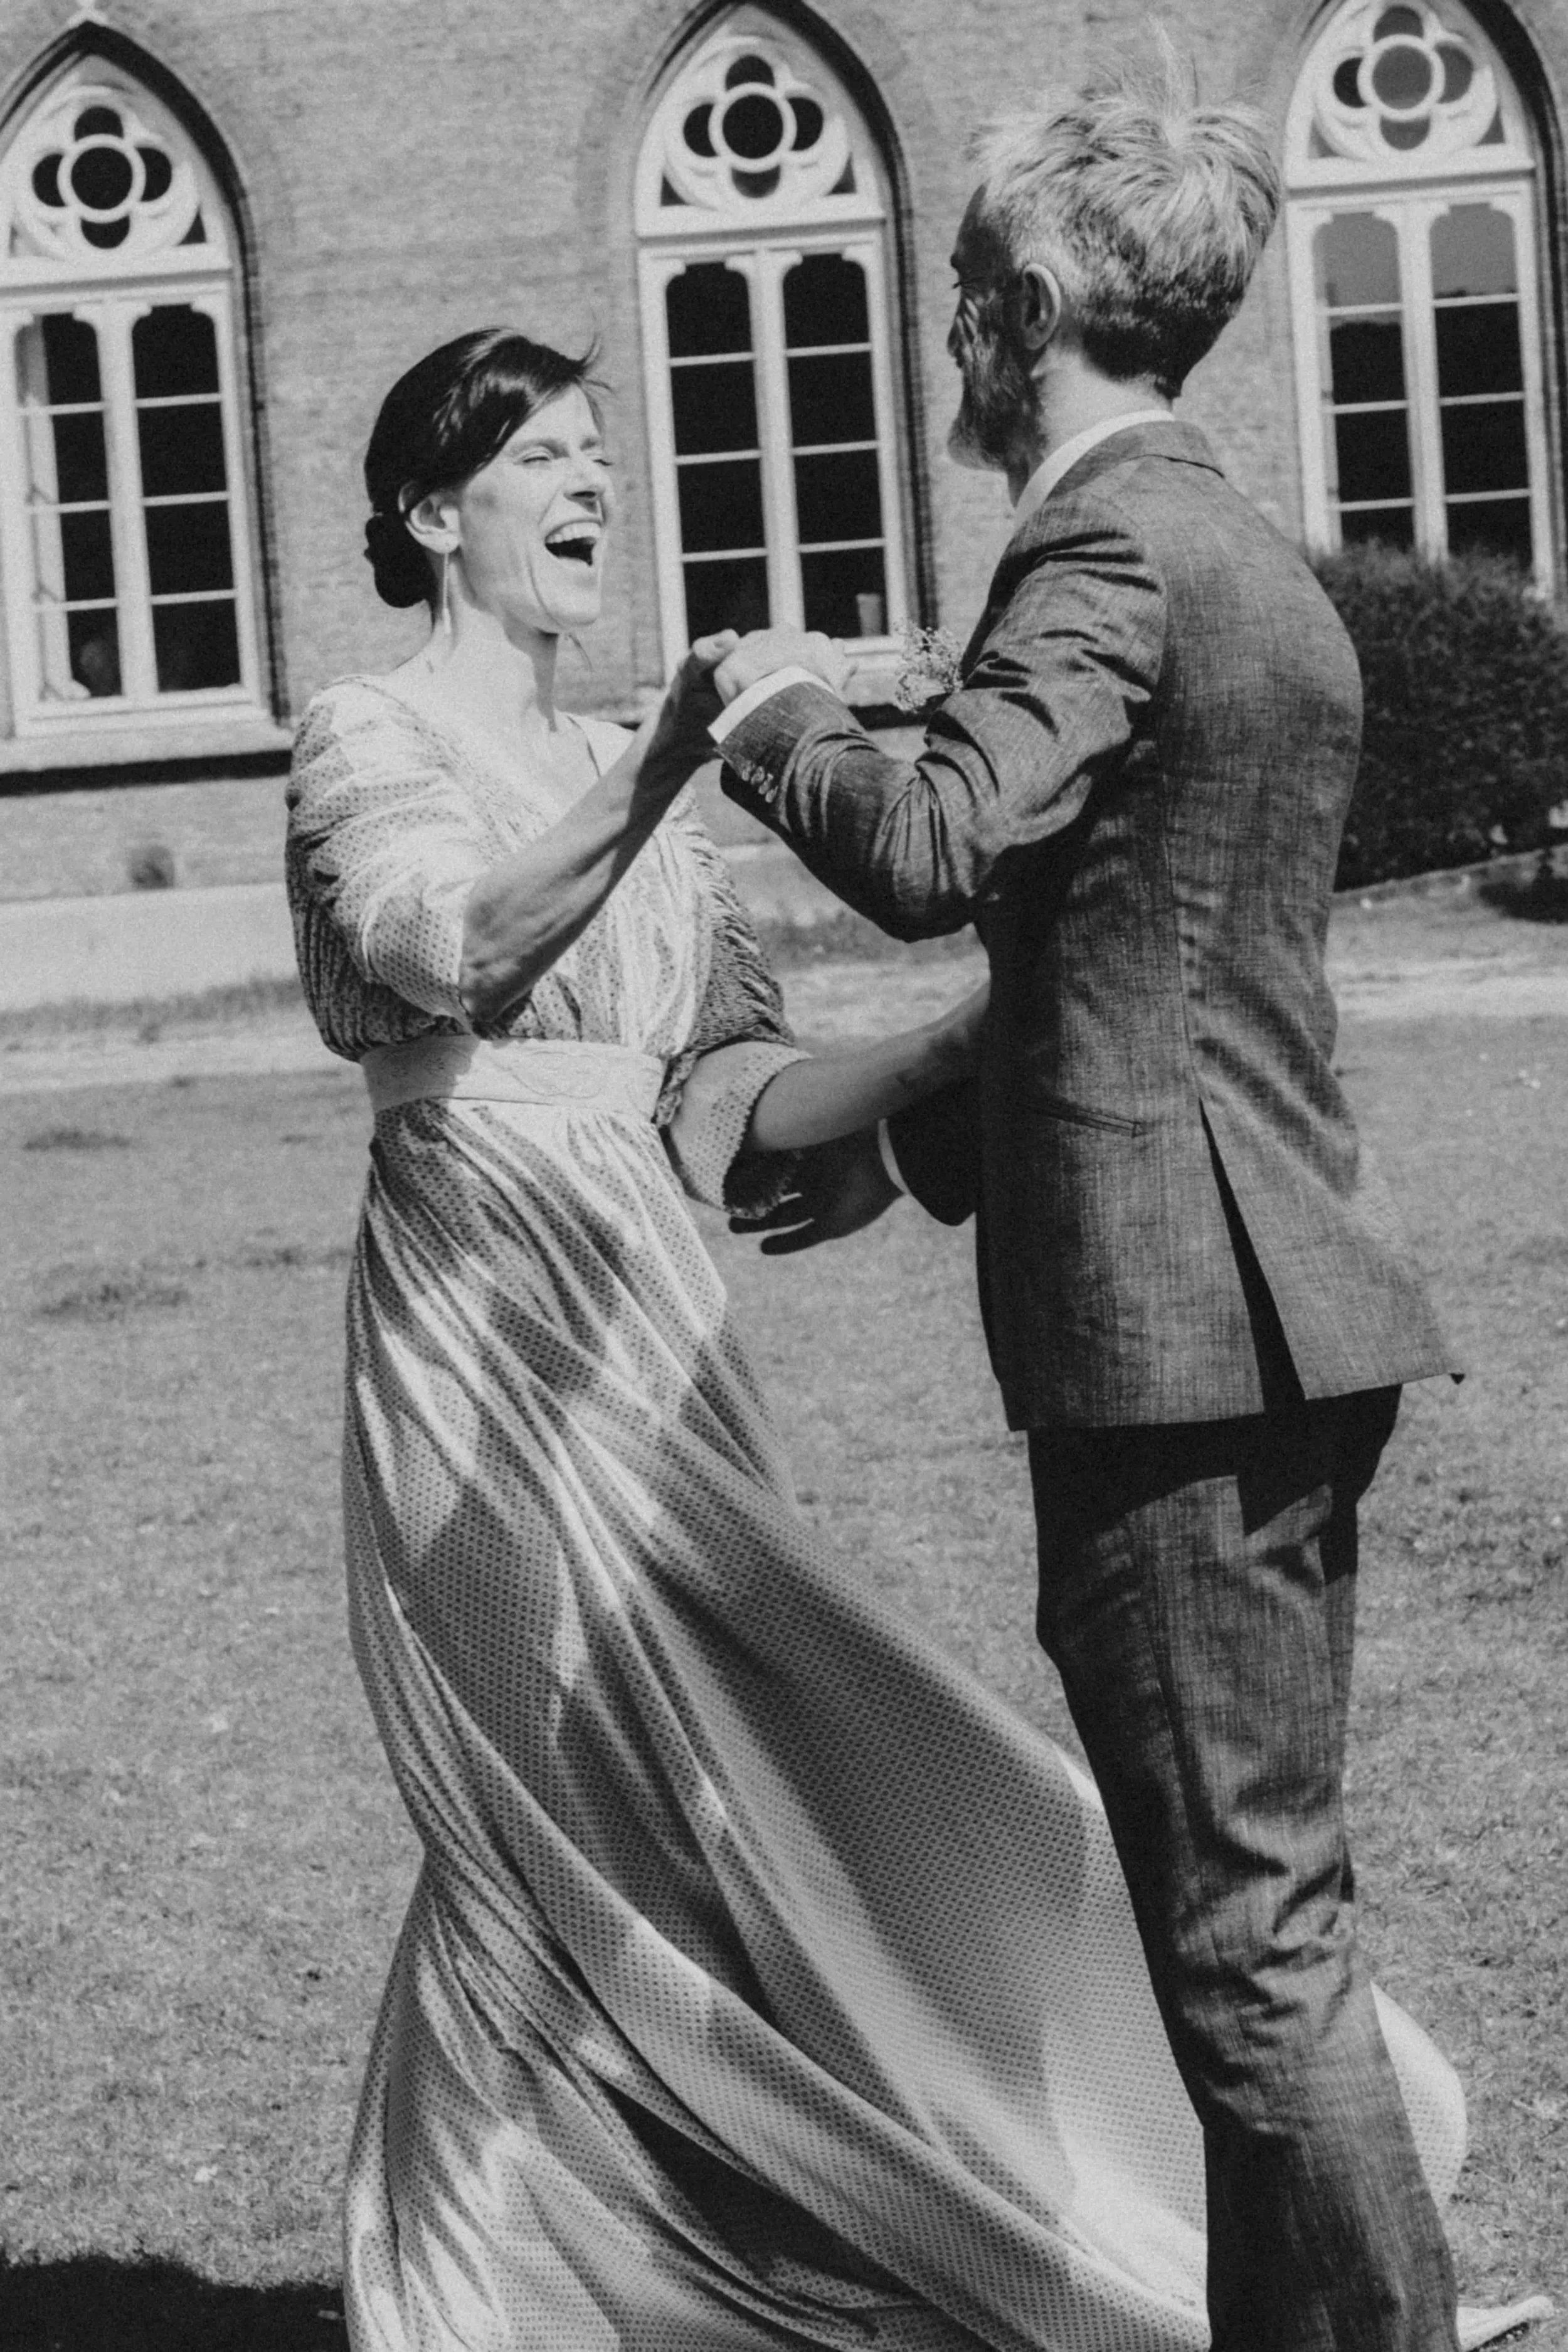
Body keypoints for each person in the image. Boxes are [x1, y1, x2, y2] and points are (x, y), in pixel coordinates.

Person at [285, 328, 1492, 2352]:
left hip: (650, 1330)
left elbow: (729, 1112)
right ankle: (495, 2277)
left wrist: (1009, 1009)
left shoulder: (646, 806)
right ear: (433, 510)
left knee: (748, 1790)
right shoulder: (362, 730)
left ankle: (695, 2236)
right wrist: (685, 750)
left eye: (603, 455)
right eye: (544, 460)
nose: (594, 487)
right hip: (472, 1336)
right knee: (544, 1794)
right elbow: (447, 951)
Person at [690, 51, 1532, 2352]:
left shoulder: (1097, 548)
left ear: (1032, 298)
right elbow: (1130, 954)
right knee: (1258, 1927)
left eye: (964, 287)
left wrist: (765, 705)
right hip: (1266, 1309)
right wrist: (904, 1137)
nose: (947, 334)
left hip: (1177, 1340)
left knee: (1252, 1963)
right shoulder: (1250, 556)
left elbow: (944, 843)